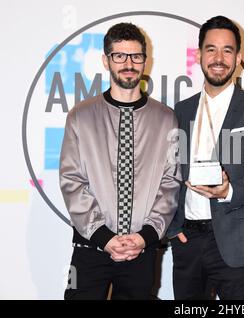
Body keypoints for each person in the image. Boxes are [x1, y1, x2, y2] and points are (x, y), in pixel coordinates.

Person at [59, 22, 181, 300]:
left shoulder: (165, 118)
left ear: (145, 62)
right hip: (89, 248)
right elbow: (72, 181)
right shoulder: (81, 116)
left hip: (143, 250)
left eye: (136, 56)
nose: (128, 63)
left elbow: (170, 183)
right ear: (106, 60)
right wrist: (104, 237)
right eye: (119, 56)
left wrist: (144, 236)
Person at [166, 15, 244, 300]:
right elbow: (171, 172)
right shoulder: (182, 110)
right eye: (211, 49)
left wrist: (230, 191)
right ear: (199, 55)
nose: (219, 58)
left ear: (239, 57)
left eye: (227, 50)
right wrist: (174, 227)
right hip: (188, 242)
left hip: (238, 241)